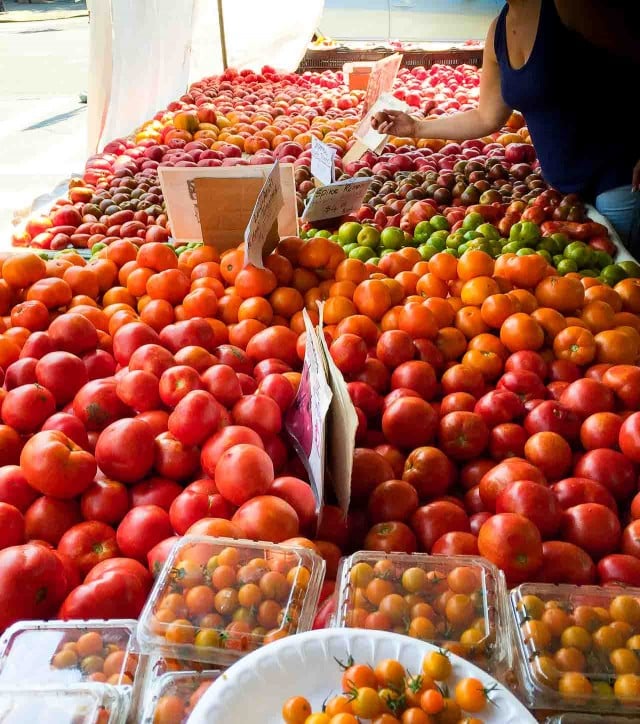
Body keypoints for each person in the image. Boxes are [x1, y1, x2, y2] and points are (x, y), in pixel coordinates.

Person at [372, 0, 640, 252]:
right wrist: (417, 128)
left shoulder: (570, 7)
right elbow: (486, 117)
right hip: (563, 195)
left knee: (627, 284)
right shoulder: (498, 30)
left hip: (618, 180)